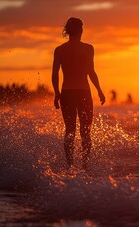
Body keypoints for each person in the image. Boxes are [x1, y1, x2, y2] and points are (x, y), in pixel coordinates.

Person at [52, 17, 105, 169]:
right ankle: (85, 165)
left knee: (70, 130)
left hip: (66, 94)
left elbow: (54, 74)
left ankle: (70, 166)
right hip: (83, 93)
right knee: (85, 132)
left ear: (67, 32)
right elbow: (91, 72)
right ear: (81, 30)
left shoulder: (60, 50)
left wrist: (56, 93)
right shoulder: (88, 48)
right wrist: (99, 90)